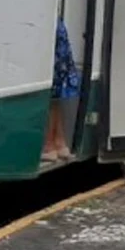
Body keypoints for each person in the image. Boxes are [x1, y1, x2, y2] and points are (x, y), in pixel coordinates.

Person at [42, 17, 80, 162]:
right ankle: (60, 142)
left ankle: (49, 145)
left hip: (49, 32)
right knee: (55, 98)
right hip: (57, 30)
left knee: (51, 98)